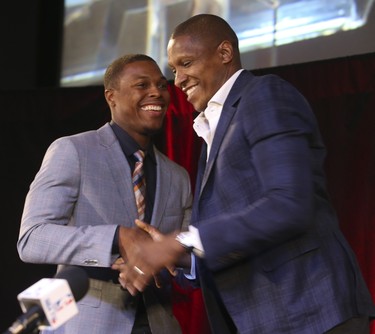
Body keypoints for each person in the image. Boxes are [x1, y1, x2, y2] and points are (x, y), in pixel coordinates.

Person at [114, 14, 375, 334]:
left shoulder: (264, 95)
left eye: (186, 63)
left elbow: (288, 204)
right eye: (174, 70)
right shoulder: (211, 132)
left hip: (311, 312)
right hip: (268, 319)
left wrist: (180, 241)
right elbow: (237, 234)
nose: (178, 80)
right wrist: (183, 258)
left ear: (224, 53)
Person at [17, 54, 193, 334]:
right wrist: (116, 238)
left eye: (161, 85)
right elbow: (32, 239)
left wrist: (164, 260)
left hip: (159, 323)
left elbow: (186, 265)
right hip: (83, 324)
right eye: (141, 85)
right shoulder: (72, 151)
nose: (156, 93)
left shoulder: (178, 177)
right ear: (111, 96)